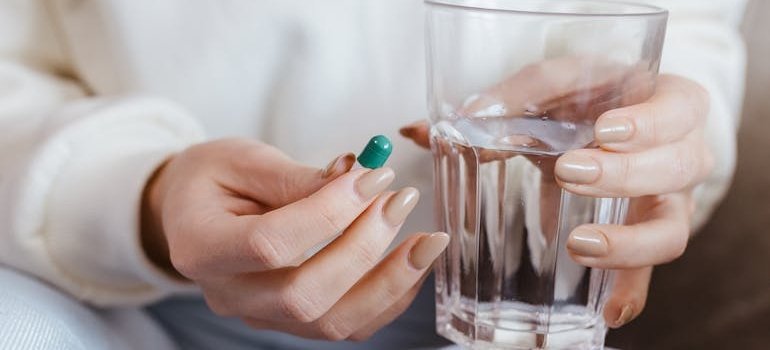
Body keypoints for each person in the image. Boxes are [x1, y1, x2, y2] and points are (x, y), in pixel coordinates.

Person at [0, 0, 746, 349]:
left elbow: (693, 30)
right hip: (121, 294)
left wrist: (653, 136)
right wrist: (140, 193)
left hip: (510, 316)